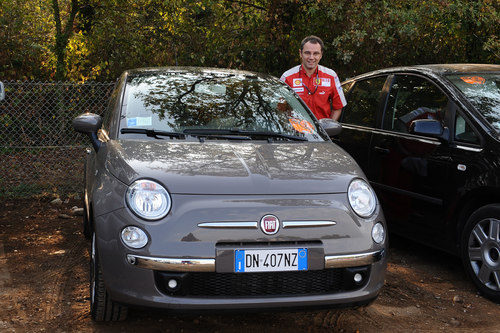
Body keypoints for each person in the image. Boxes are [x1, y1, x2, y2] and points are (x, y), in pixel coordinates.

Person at [280, 36, 346, 121]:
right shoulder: (287, 77)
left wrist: (328, 128)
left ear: (321, 55)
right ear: (300, 53)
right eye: (307, 53)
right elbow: (281, 108)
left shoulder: (331, 76)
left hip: (322, 132)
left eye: (316, 53)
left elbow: (338, 107)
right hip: (296, 133)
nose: (311, 57)